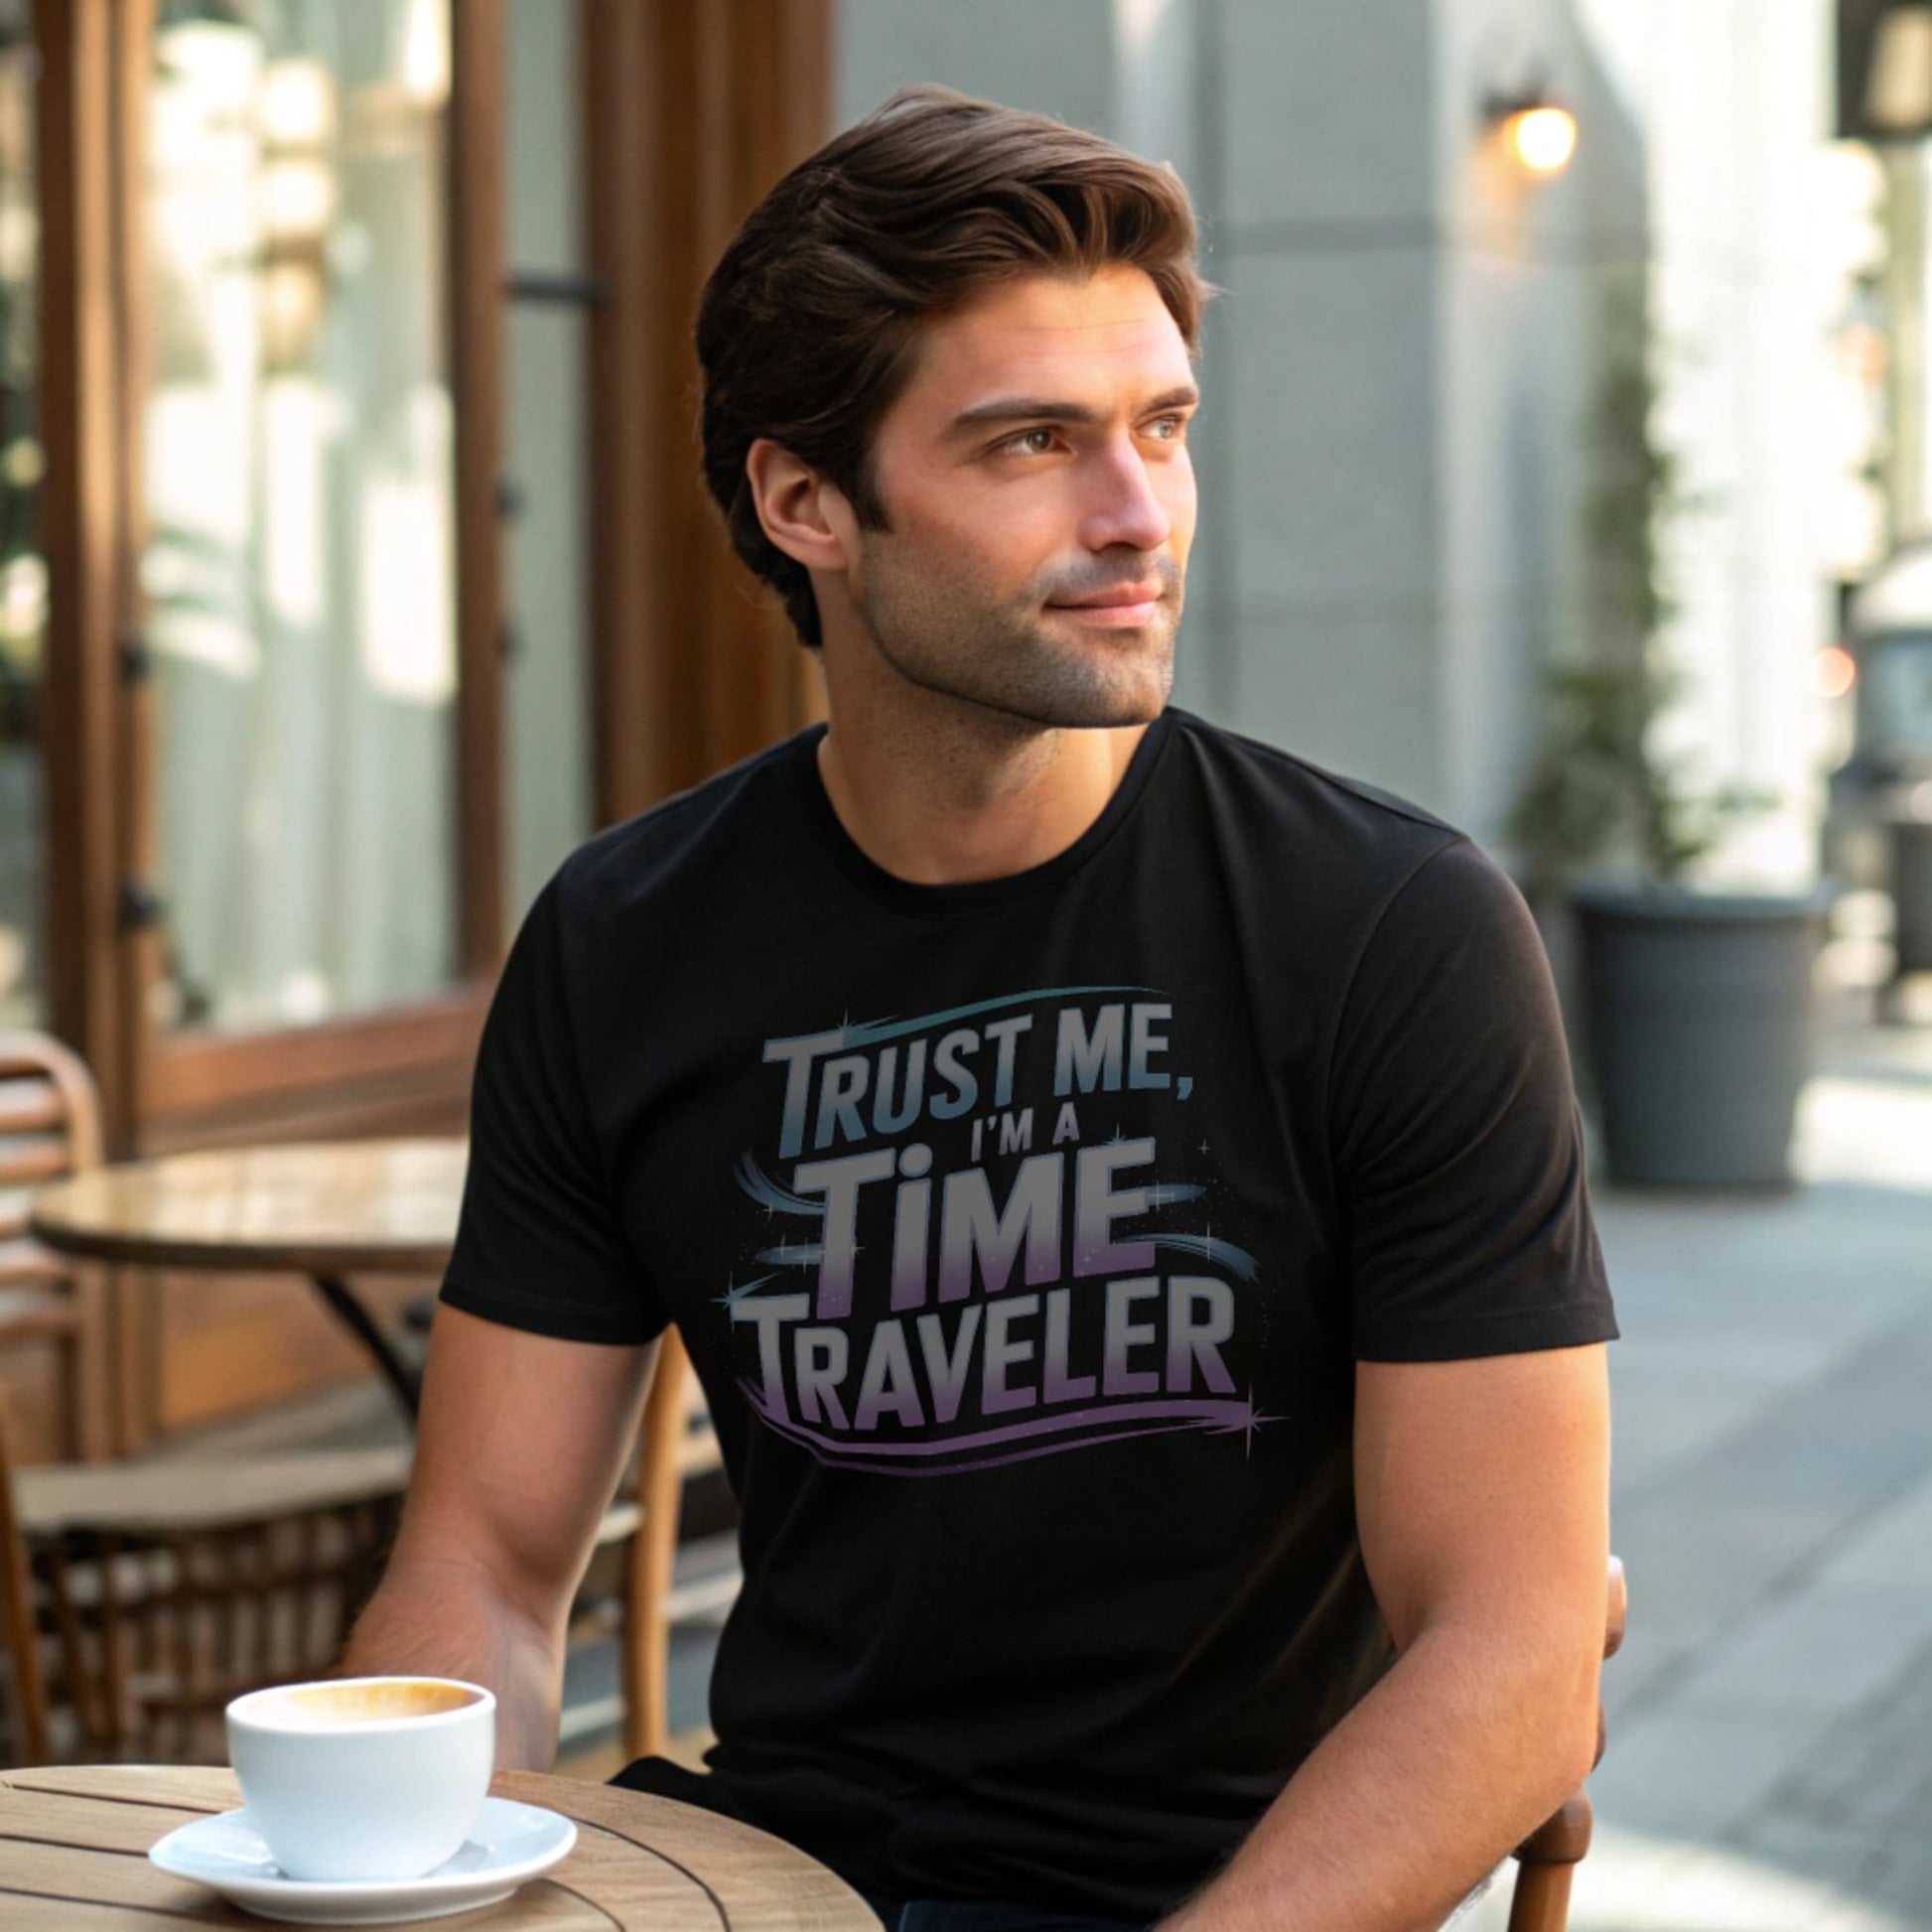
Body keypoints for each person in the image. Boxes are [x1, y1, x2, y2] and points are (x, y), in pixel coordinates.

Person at [343, 85, 1616, 1932]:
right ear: (804, 501)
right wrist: (411, 1867)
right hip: (766, 1877)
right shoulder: (626, 939)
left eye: (1160, 429)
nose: (1135, 516)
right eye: (1032, 443)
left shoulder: (1389, 931)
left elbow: (1510, 1645)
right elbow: (486, 1553)